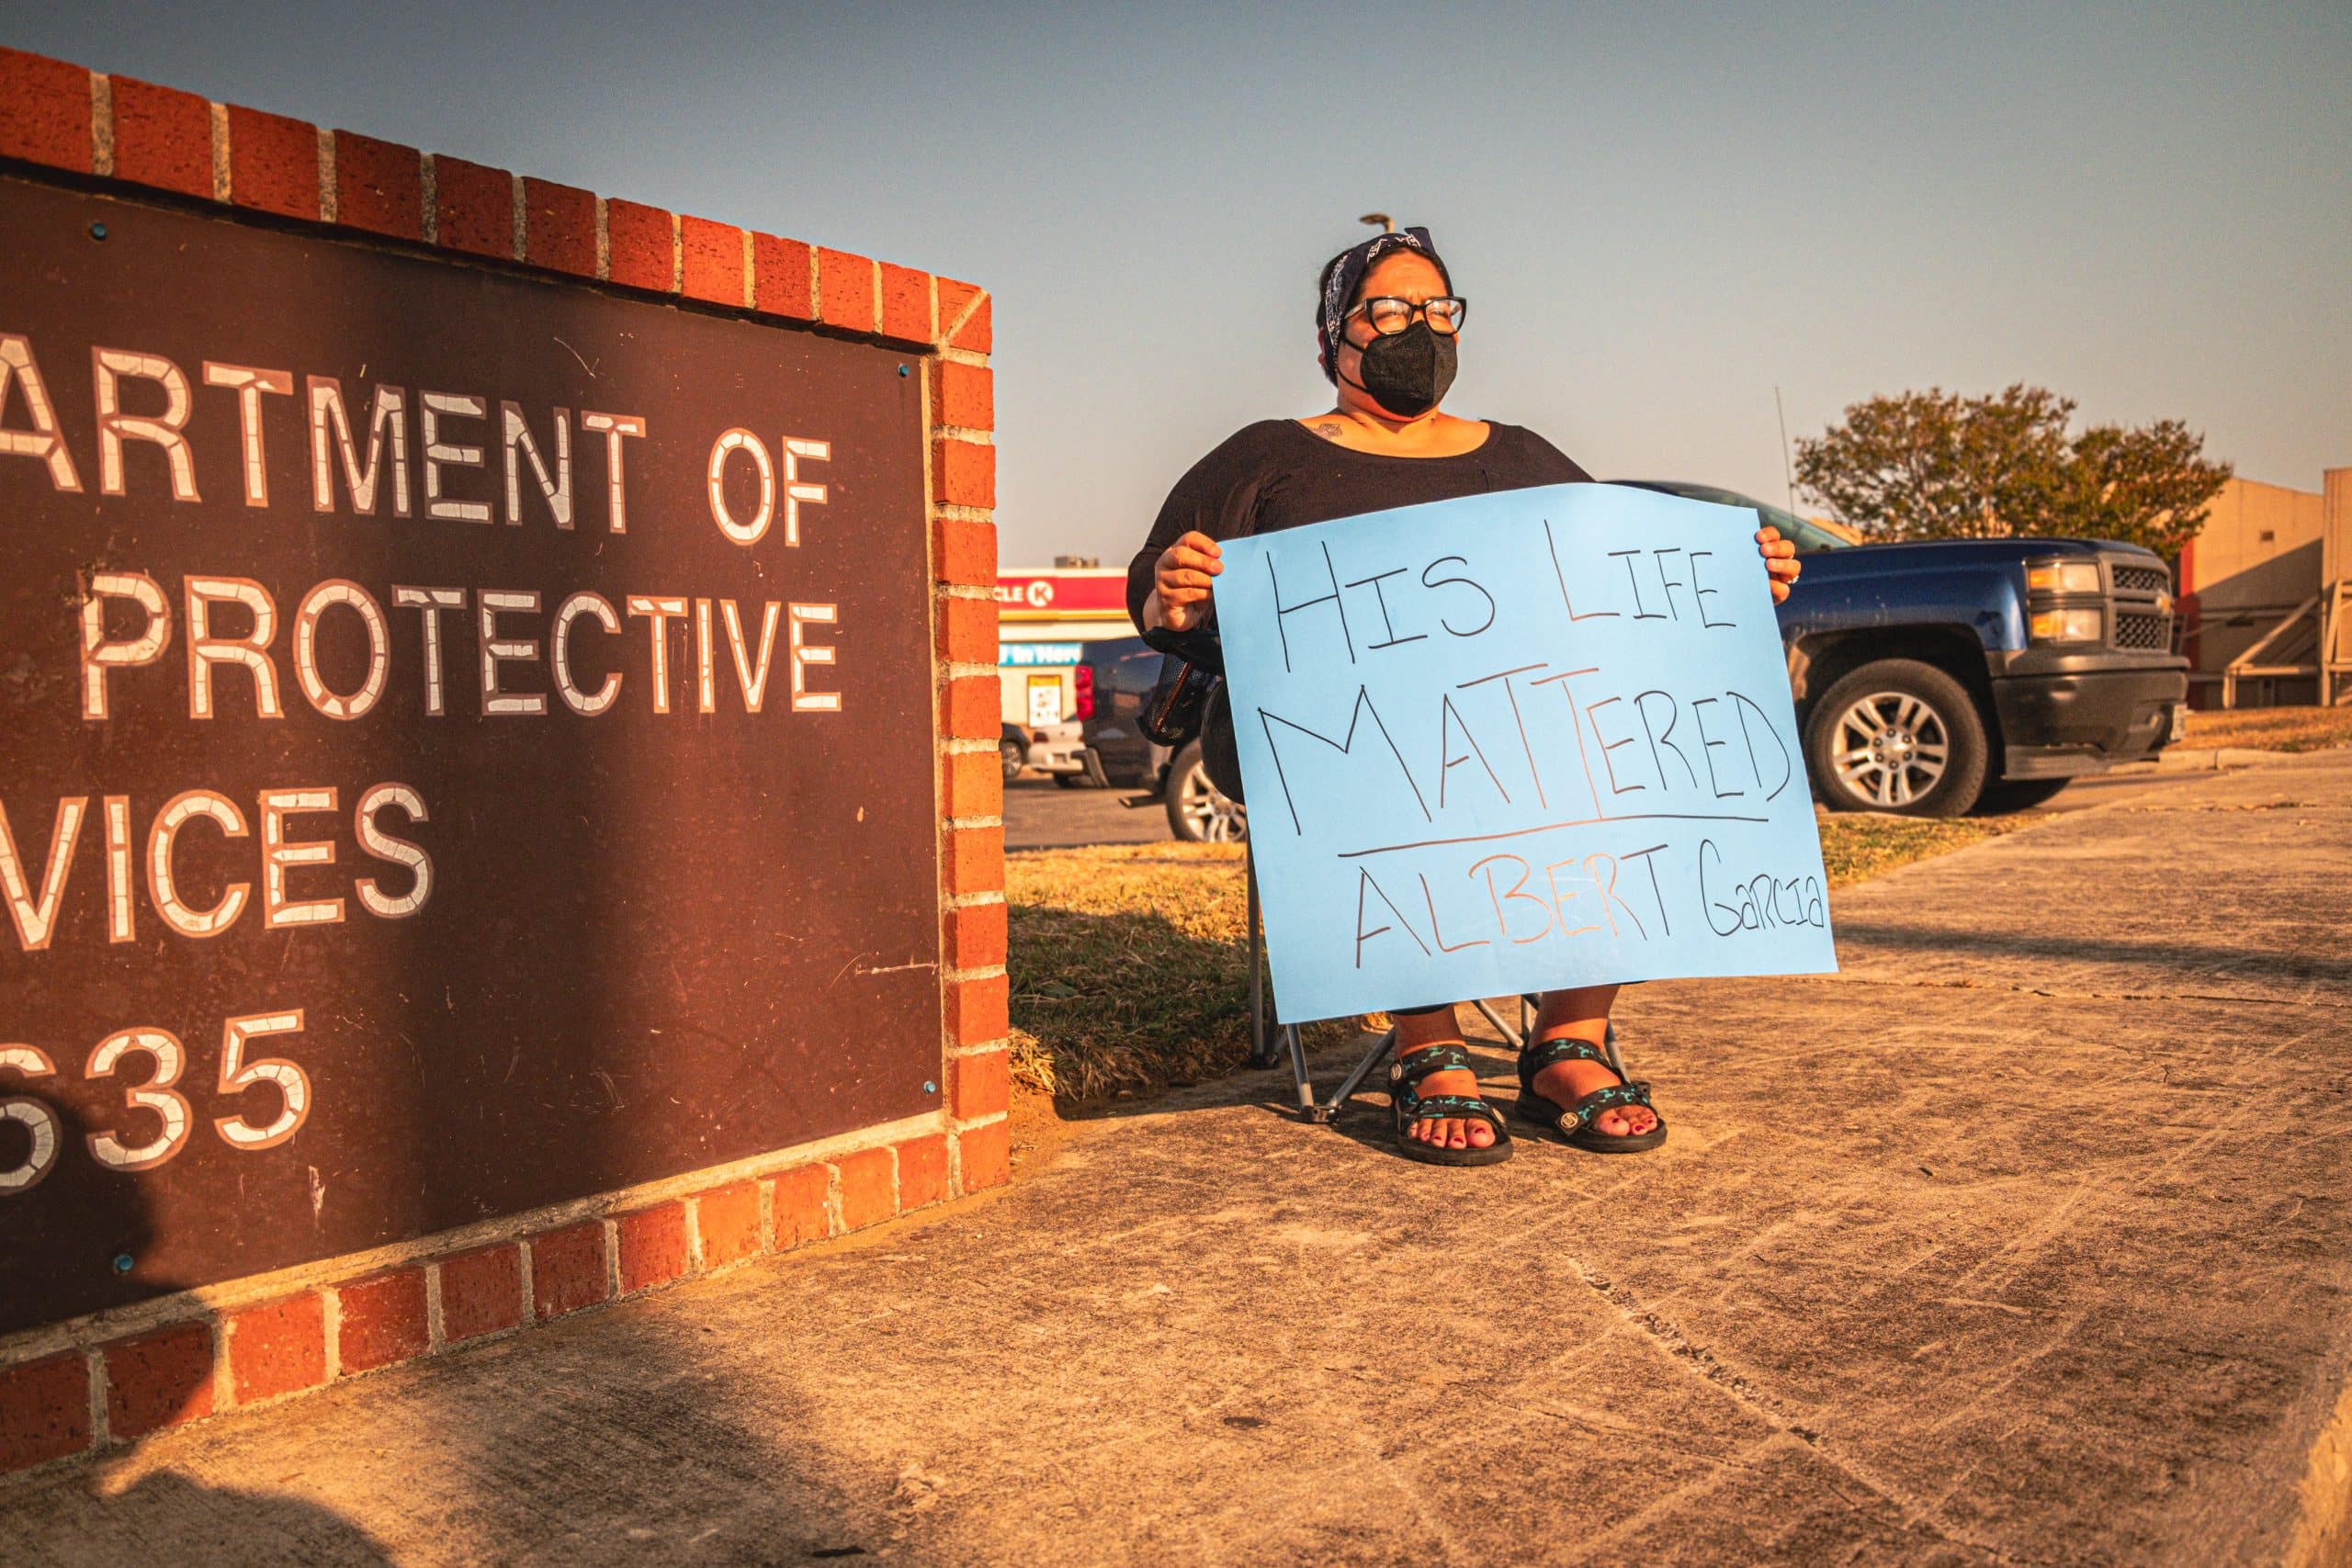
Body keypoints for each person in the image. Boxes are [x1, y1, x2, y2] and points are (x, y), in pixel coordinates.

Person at [1125, 225, 1802, 1167]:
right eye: (1390, 309)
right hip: (1323, 742)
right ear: (1332, 337)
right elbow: (1164, 604)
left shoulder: (1520, 455)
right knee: (1402, 753)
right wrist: (1172, 590)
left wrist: (1732, 581)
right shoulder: (1265, 458)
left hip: (1509, 737)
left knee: (1607, 750)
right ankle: (1426, 1041)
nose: (1421, 328)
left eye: (1439, 310)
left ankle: (1572, 1037)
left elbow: (1606, 593)